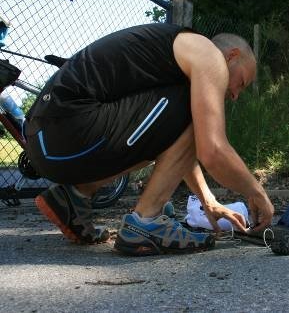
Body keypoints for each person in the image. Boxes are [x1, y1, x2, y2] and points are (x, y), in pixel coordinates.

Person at [24, 23, 274, 255]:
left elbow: (177, 142)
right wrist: (257, 191)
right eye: (242, 82)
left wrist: (208, 201)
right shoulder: (207, 55)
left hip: (46, 140)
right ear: (232, 56)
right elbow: (213, 151)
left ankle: (74, 196)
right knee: (196, 109)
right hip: (66, 130)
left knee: (192, 111)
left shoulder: (178, 53)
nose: (236, 95)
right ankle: (146, 222)